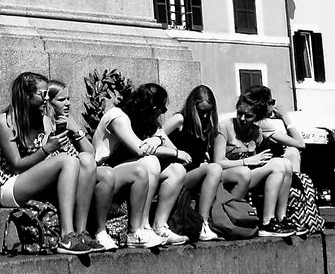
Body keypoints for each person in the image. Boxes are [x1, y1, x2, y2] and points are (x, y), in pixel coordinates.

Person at [0, 72, 100, 254]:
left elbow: (78, 155)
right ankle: (66, 235)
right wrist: (47, 149)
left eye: (48, 94)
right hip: (11, 184)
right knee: (67, 161)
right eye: (43, 94)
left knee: (85, 160)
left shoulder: (45, 120)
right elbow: (16, 164)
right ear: (26, 95)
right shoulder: (5, 121)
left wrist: (65, 137)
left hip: (37, 180)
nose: (47, 99)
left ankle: (80, 232)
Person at [92, 82, 188, 247]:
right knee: (150, 162)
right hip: (104, 174)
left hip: (128, 172)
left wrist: (157, 138)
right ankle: (139, 228)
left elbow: (171, 147)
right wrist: (174, 153)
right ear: (152, 107)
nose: (163, 113)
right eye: (162, 108)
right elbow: (139, 150)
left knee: (176, 170)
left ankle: (159, 227)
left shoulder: (147, 120)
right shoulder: (118, 117)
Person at [163, 85, 249, 241]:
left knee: (238, 174)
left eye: (208, 111)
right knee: (215, 169)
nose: (204, 115)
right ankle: (202, 222)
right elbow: (158, 136)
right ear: (192, 106)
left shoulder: (207, 125)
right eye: (201, 111)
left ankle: (223, 218)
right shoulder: (179, 119)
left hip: (195, 172)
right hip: (177, 175)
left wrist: (204, 158)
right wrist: (175, 152)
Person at [215, 94, 303, 237]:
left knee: (285, 163)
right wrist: (247, 161)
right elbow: (217, 162)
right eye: (239, 113)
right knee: (276, 166)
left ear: (256, 117)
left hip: (246, 177)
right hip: (227, 177)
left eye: (248, 116)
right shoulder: (224, 127)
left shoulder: (257, 132)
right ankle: (267, 222)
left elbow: (298, 145)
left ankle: (281, 218)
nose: (242, 118)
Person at [45, 80, 117, 251]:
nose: (68, 103)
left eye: (68, 98)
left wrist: (76, 129)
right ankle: (69, 234)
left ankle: (83, 231)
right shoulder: (46, 121)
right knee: (84, 160)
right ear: (48, 102)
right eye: (61, 100)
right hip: (58, 174)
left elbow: (91, 154)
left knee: (106, 174)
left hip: (77, 170)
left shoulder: (68, 121)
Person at [244, 85, 304, 172]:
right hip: (255, 166)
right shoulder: (261, 123)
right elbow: (300, 144)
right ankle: (295, 183)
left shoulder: (251, 120)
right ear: (266, 105)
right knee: (293, 152)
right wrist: (285, 117)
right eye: (272, 102)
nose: (274, 105)